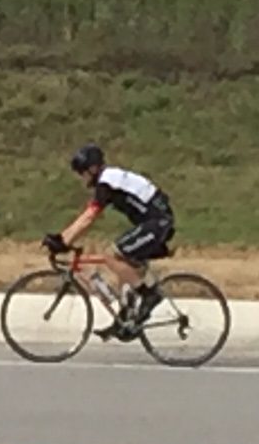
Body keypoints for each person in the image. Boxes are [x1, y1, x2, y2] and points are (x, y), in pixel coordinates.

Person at [42, 143, 175, 338]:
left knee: (112, 255)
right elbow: (87, 216)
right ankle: (126, 318)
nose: (82, 178)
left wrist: (64, 240)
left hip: (157, 222)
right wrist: (64, 238)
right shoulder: (110, 179)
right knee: (123, 263)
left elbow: (89, 217)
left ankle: (150, 295)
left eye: (83, 173)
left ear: (93, 168)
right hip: (155, 220)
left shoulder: (107, 182)